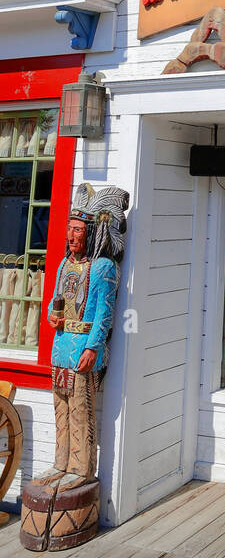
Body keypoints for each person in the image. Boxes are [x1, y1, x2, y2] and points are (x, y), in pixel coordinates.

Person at [34, 182, 129, 490]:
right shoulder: (65, 264)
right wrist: (52, 314)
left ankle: (81, 467)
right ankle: (60, 462)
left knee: (80, 411)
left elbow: (104, 312)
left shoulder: (102, 268)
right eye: (70, 229)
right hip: (61, 347)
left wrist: (93, 347)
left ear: (92, 232)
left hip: (83, 351)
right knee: (60, 408)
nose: (71, 235)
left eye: (78, 230)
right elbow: (56, 299)